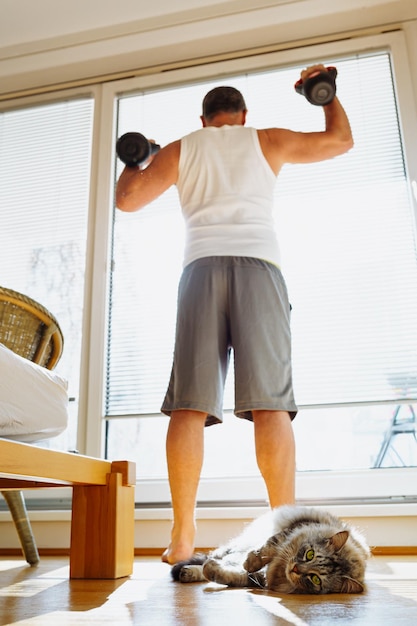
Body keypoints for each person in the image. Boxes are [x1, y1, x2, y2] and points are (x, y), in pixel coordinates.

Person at [116, 64, 353, 565]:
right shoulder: (265, 139)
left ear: (203, 121)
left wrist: (138, 160)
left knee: (189, 405)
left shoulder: (183, 147)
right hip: (259, 268)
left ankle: (182, 536)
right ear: (242, 116)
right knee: (270, 404)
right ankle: (286, 530)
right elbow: (339, 141)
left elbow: (128, 200)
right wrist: (324, 96)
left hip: (200, 270)